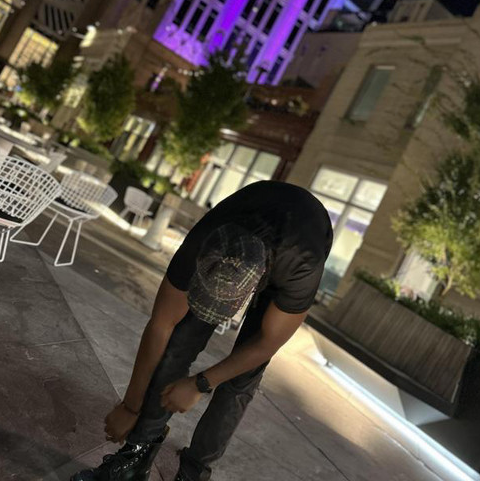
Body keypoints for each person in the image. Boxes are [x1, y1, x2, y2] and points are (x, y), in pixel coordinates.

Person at [72, 180, 333, 481]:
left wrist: (201, 383)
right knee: (180, 342)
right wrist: (130, 406)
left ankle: (193, 473)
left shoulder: (301, 267)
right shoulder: (203, 242)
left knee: (242, 378)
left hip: (300, 240)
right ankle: (137, 455)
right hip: (247, 215)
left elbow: (266, 344)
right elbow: (161, 325)